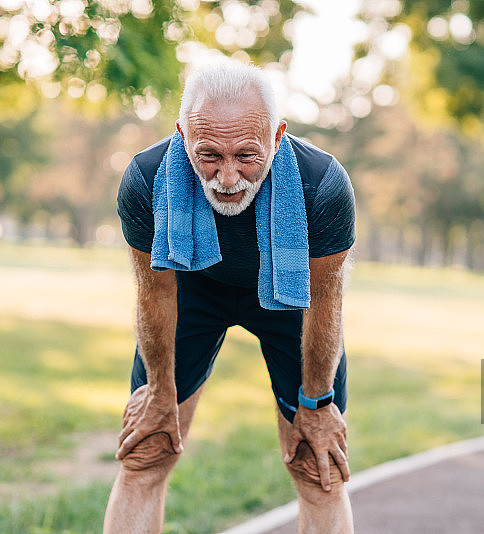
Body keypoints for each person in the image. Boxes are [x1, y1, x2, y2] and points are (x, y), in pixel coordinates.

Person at [103, 62, 356, 533]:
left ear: (277, 137)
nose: (227, 176)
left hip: (289, 294)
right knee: (147, 449)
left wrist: (318, 404)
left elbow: (325, 304)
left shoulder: (321, 185)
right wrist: (159, 391)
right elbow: (154, 294)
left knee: (317, 464)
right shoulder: (146, 177)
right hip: (192, 286)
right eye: (209, 155)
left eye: (246, 155)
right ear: (182, 136)